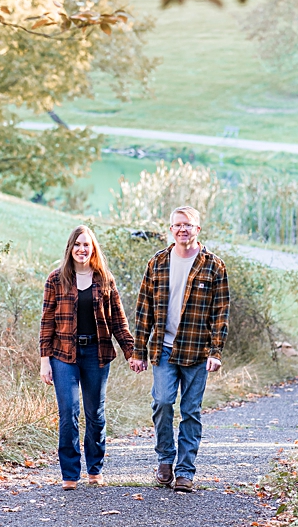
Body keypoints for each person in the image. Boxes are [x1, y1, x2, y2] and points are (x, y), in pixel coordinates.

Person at [131, 205, 230, 492]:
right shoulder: (158, 262)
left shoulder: (214, 266)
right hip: (163, 349)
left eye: (187, 225)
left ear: (197, 229)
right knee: (162, 402)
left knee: (190, 410)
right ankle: (165, 459)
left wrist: (216, 351)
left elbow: (220, 313)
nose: (182, 229)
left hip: (197, 351)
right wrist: (139, 351)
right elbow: (143, 310)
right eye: (177, 225)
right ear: (171, 229)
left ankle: (185, 471)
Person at [38, 226, 136, 488]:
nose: (82, 249)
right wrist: (44, 360)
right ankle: (70, 474)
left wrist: (131, 352)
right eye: (77, 244)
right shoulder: (56, 279)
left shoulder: (105, 279)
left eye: (87, 245)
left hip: (96, 352)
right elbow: (47, 321)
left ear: (93, 249)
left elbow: (118, 320)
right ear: (70, 248)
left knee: (95, 413)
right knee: (68, 411)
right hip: (63, 355)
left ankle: (94, 469)